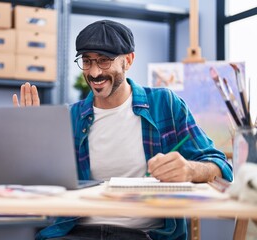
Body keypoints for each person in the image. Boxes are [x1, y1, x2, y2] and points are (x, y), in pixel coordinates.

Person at [13, 20, 233, 240]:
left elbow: (220, 165)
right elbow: (39, 183)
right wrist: (30, 141)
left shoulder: (165, 104)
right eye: (87, 62)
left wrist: (190, 170)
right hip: (76, 232)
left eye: (104, 61)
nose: (94, 72)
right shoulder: (70, 117)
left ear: (128, 60)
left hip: (142, 234)